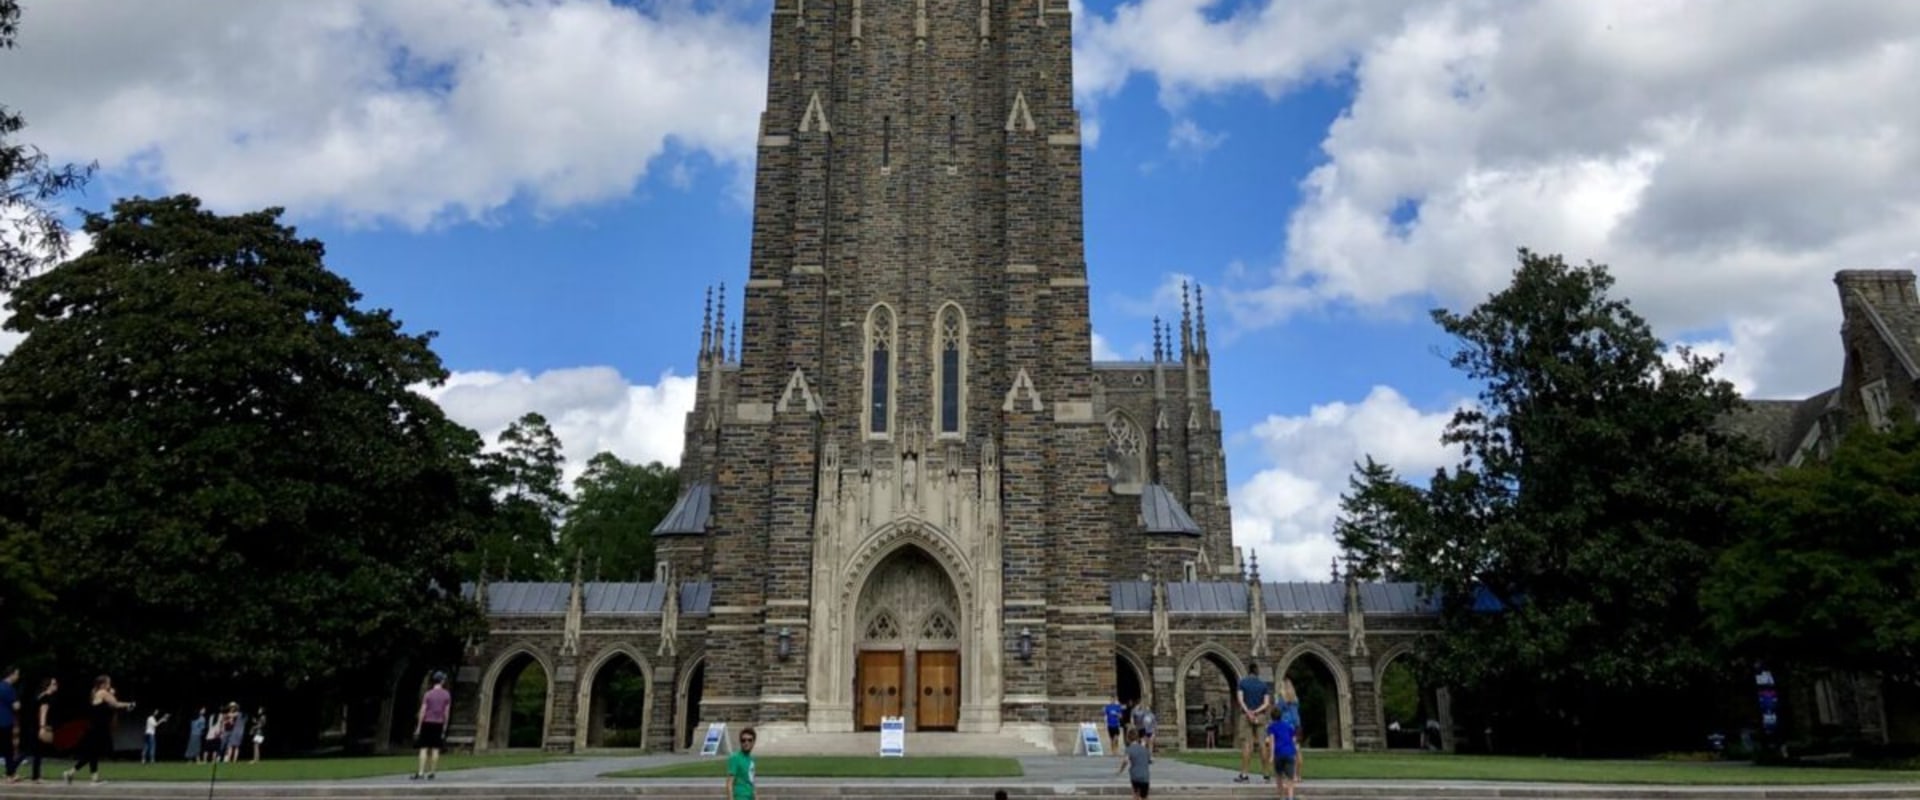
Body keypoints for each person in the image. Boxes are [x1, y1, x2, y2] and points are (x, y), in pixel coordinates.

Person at [65, 675, 135, 785]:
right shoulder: (102, 692)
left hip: (98, 727)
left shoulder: (98, 693)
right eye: (108, 683)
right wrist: (128, 704)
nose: (110, 685)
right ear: (103, 684)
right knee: (94, 752)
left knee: (92, 753)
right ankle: (92, 778)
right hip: (96, 727)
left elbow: (112, 706)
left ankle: (72, 773)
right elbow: (115, 703)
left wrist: (124, 703)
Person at [1234, 663, 1273, 783]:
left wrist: (1248, 712)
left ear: (1248, 671)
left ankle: (1244, 775)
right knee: (1263, 745)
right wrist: (1256, 712)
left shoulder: (1242, 683)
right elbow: (1266, 703)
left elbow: (1240, 699)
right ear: (1257, 672)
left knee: (1247, 745)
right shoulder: (1263, 685)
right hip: (1260, 716)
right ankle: (1266, 774)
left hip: (1246, 716)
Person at [413, 672, 452, 780]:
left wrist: (419, 727)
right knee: (435, 749)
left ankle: (421, 773)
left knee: (424, 748)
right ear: (442, 681)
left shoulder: (428, 694)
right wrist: (445, 725)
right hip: (438, 723)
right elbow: (446, 712)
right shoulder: (446, 694)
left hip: (427, 722)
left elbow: (423, 711)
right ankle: (432, 772)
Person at [23, 678, 56, 783]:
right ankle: (35, 777)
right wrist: (42, 727)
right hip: (39, 727)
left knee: (34, 751)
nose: (56, 685)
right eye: (54, 684)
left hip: (34, 726)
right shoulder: (46, 697)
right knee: (36, 752)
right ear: (48, 685)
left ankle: (35, 776)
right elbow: (43, 712)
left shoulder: (40, 695)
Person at [1265, 708, 1299, 800]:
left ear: (1272, 717)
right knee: (1290, 778)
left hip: (1278, 753)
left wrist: (1271, 755)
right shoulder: (1288, 726)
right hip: (1289, 752)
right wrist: (1295, 752)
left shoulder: (1271, 727)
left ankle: (1281, 796)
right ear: (1281, 716)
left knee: (1279, 776)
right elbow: (1294, 739)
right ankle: (1290, 797)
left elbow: (1272, 741)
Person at [1115, 728, 1152, 799]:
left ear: (1128, 738)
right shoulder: (1144, 749)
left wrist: (1120, 770)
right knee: (1145, 796)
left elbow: (1125, 761)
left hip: (1134, 775)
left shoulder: (1129, 749)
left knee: (1135, 794)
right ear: (1138, 738)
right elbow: (1149, 760)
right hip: (1145, 775)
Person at [1277, 678, 1302, 781]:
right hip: (1296, 726)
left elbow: (1277, 711)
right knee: (1296, 751)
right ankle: (1297, 775)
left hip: (1286, 727)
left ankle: (1288, 775)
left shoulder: (1282, 700)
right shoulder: (1295, 699)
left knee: (1286, 752)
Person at [726, 726, 756, 800]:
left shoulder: (751, 759)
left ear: (753, 742)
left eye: (749, 740)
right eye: (743, 740)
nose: (746, 743)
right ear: (740, 742)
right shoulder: (735, 758)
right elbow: (729, 784)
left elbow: (751, 782)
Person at [1, 666, 18, 783]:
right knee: (8, 750)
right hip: (6, 721)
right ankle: (9, 775)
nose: (18, 676)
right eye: (17, 674)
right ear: (11, 675)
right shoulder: (9, 689)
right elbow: (16, 706)